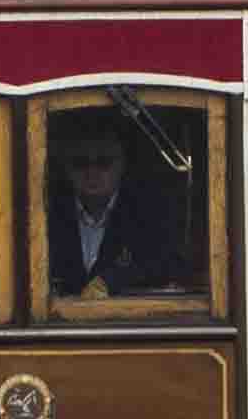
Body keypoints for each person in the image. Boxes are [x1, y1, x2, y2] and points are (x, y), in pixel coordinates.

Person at [44, 112, 195, 299]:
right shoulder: (47, 213)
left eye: (104, 162)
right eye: (81, 163)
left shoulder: (148, 213)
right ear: (67, 167)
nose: (92, 172)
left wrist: (110, 280)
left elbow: (167, 264)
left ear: (121, 164)